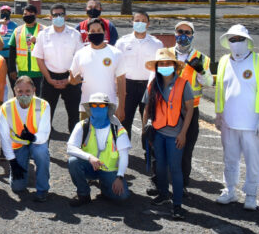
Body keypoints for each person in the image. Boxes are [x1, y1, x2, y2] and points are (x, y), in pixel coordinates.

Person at [214, 24, 259, 211]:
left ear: (247, 41)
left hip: (252, 123)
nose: (236, 42)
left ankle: (251, 195)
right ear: (228, 41)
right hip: (229, 123)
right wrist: (218, 115)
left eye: (240, 39)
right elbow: (220, 90)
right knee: (230, 159)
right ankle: (230, 190)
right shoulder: (224, 61)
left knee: (253, 160)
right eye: (233, 39)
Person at [141, 48, 195, 220]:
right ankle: (164, 194)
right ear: (157, 67)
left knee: (175, 169)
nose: (164, 66)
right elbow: (147, 109)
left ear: (174, 65)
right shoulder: (152, 85)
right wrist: (145, 131)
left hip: (175, 135)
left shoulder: (183, 84)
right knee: (161, 166)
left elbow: (190, 110)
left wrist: (183, 133)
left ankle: (177, 204)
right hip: (157, 133)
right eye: (161, 63)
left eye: (168, 63)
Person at [171, 21, 213, 193]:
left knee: (186, 149)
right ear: (175, 33)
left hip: (190, 110)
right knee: (163, 147)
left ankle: (182, 184)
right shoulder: (166, 54)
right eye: (180, 31)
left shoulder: (201, 58)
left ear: (193, 35)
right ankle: (160, 183)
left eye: (187, 32)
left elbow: (210, 83)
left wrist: (201, 71)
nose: (183, 35)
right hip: (168, 108)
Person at [67, 92, 131, 206]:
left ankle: (105, 188)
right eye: (94, 105)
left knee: (123, 197)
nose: (97, 108)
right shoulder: (83, 125)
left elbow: (124, 155)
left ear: (108, 108)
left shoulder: (118, 129)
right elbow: (70, 147)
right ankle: (83, 195)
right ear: (90, 108)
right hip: (90, 166)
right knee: (73, 162)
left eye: (101, 105)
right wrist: (90, 157)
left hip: (109, 170)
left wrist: (120, 177)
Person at [0, 76, 51, 202]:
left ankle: (42, 189)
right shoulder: (6, 108)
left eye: (28, 91)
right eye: (20, 91)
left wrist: (33, 137)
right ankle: (22, 165)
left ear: (34, 90)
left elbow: (44, 133)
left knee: (41, 152)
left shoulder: (43, 105)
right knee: (17, 187)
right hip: (18, 144)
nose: (24, 95)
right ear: (14, 91)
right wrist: (12, 161)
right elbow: (4, 138)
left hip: (36, 142)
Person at [32, 4, 83, 132]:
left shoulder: (74, 34)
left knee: (74, 117)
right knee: (45, 117)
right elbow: (39, 58)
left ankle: (75, 149)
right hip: (49, 78)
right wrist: (49, 79)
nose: (58, 17)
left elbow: (80, 59)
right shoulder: (43, 35)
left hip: (71, 78)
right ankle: (43, 150)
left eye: (61, 14)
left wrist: (69, 80)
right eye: (55, 15)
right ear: (50, 17)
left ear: (65, 16)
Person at [115, 11, 164, 139]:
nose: (140, 23)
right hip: (127, 86)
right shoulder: (122, 42)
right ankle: (123, 151)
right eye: (137, 21)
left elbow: (160, 67)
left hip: (148, 86)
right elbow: (115, 67)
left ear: (148, 24)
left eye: (143, 21)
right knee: (124, 120)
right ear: (132, 22)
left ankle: (148, 154)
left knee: (149, 121)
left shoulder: (157, 44)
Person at [69, 18, 126, 122]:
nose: (96, 33)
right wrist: (73, 81)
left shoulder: (116, 53)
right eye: (93, 31)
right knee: (86, 137)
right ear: (87, 33)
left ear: (104, 33)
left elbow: (121, 82)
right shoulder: (80, 54)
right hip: (86, 108)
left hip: (109, 107)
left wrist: (121, 107)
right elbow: (72, 80)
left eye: (99, 31)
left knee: (109, 137)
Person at [8, 5, 44, 94]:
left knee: (39, 99)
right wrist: (12, 69)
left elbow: (49, 51)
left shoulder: (44, 30)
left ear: (36, 14)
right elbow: (12, 51)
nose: (27, 15)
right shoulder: (17, 31)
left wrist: (36, 42)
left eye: (30, 13)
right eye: (25, 14)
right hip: (23, 72)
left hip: (40, 72)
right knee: (24, 98)